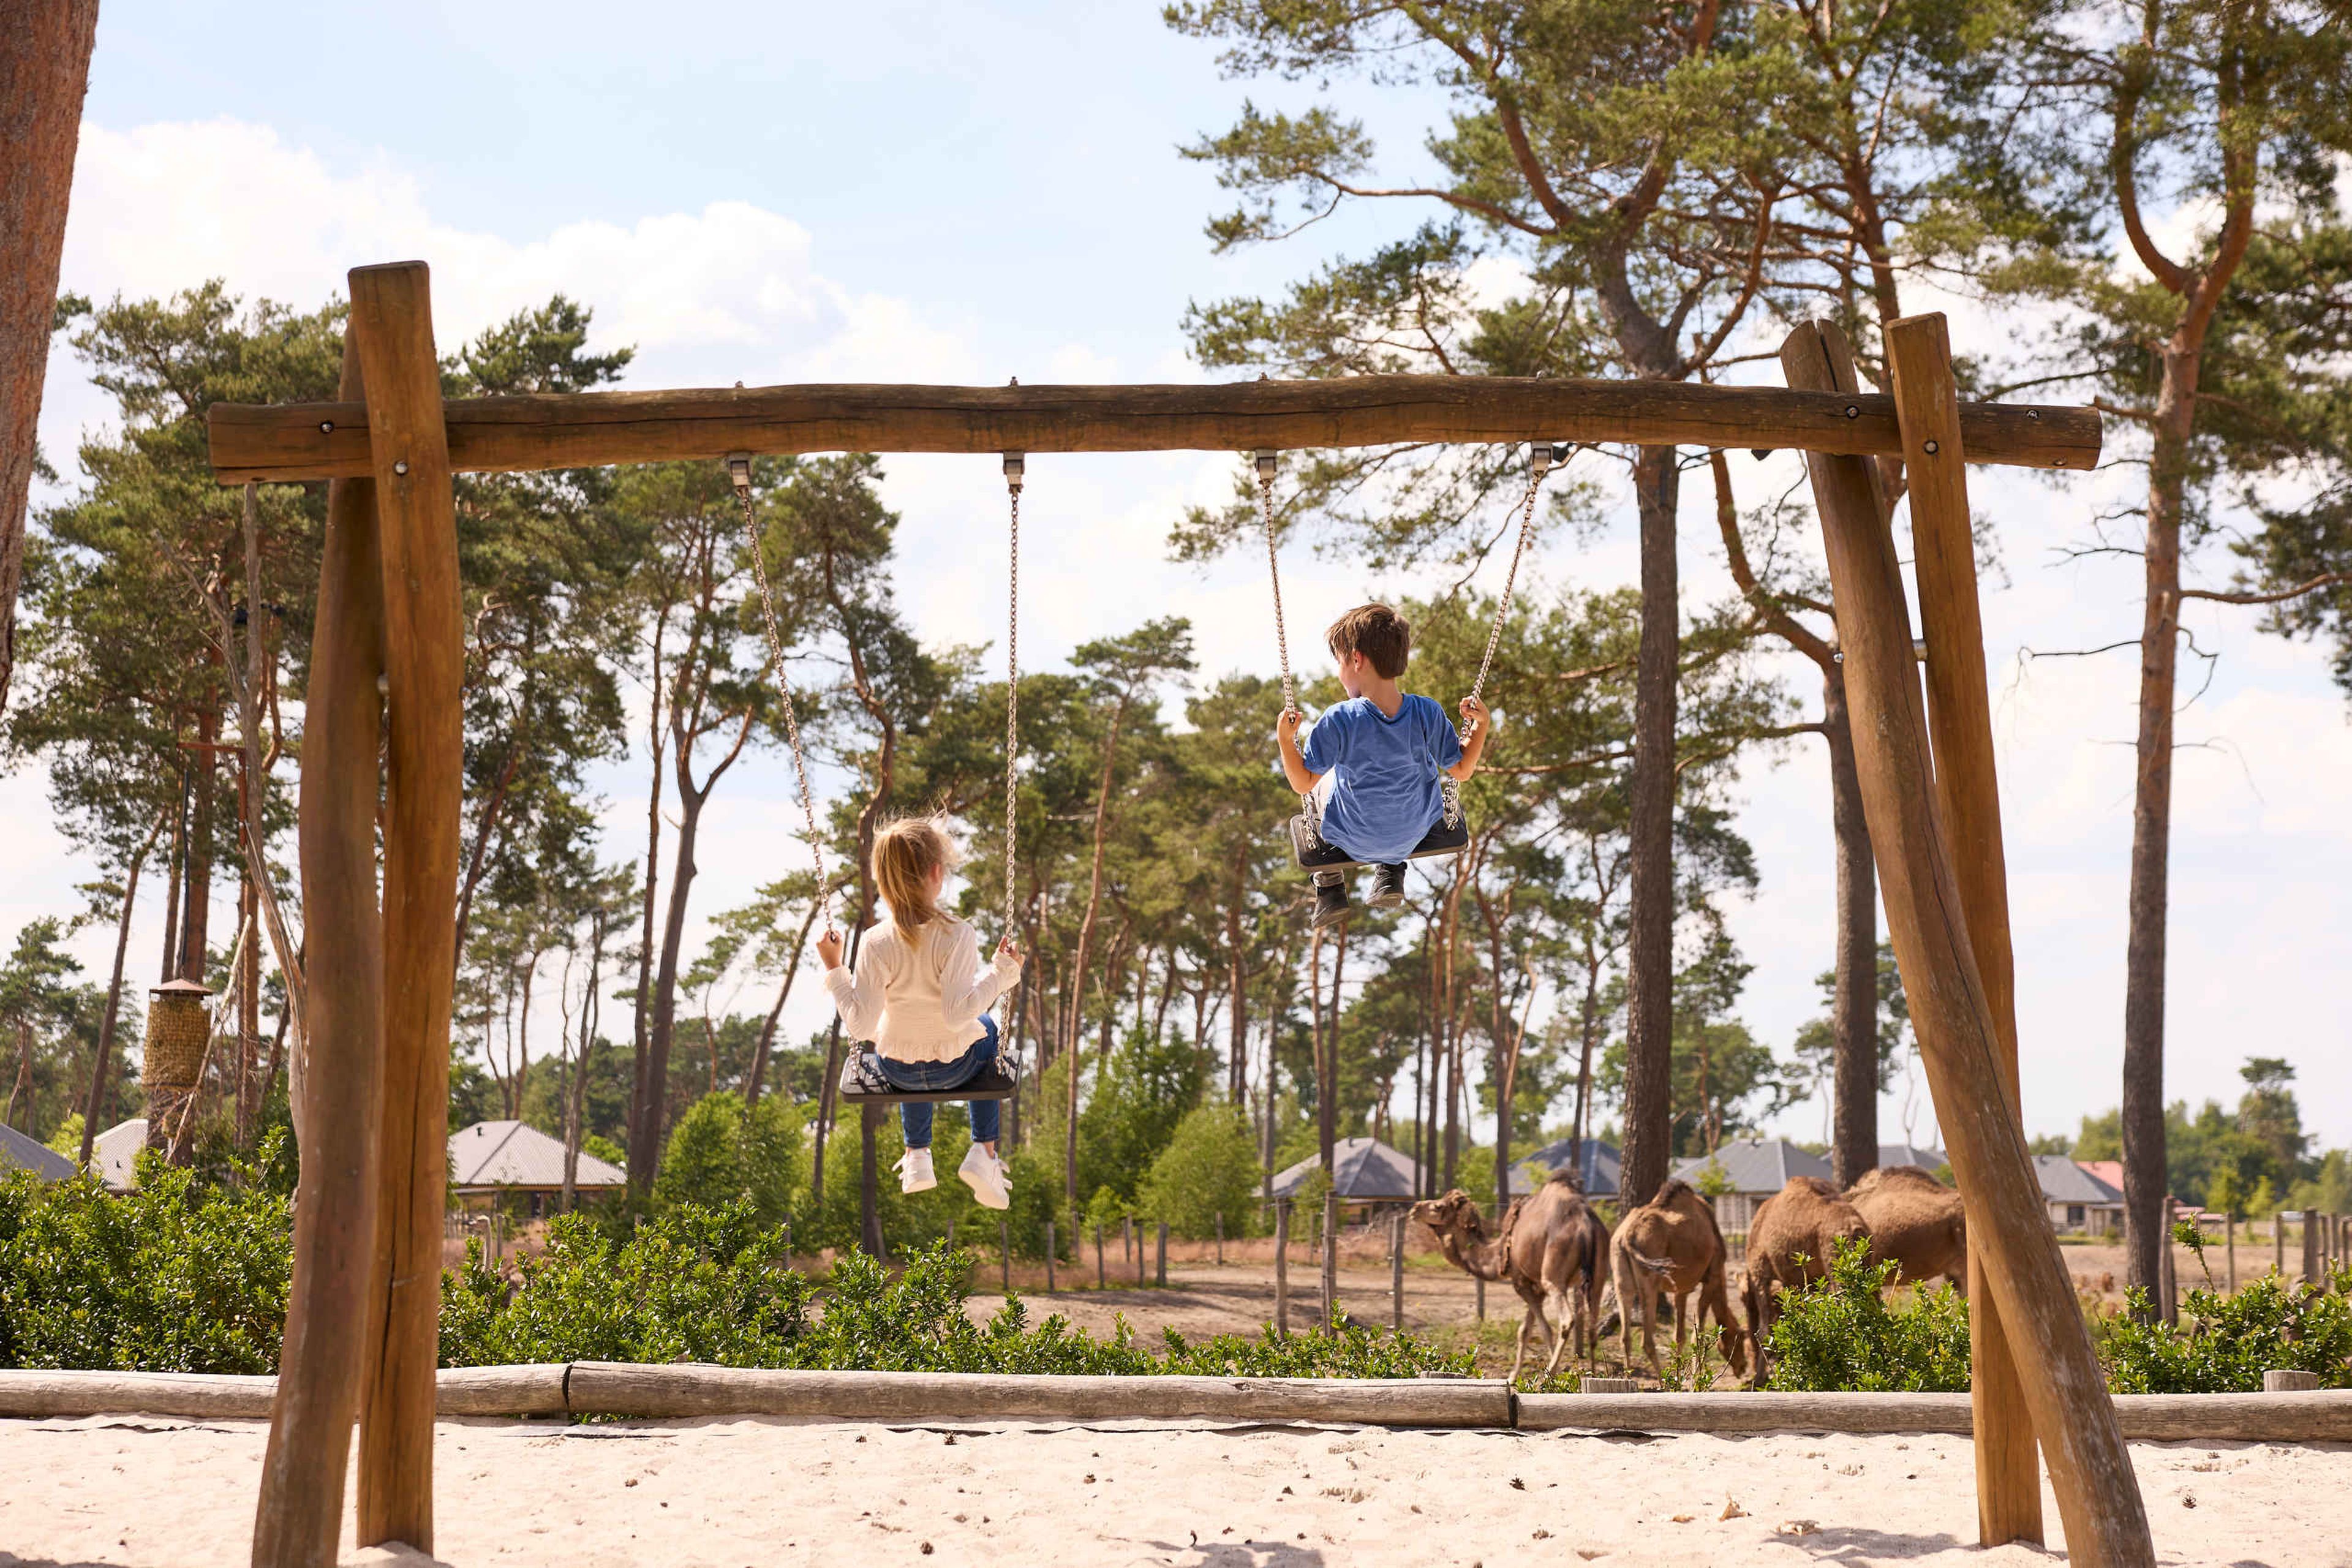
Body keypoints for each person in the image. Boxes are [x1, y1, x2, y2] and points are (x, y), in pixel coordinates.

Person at [818, 815, 1024, 1206]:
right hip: (956, 1067)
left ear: (883, 880)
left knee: (906, 1037)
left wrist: (835, 969)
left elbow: (861, 1025)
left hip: (898, 1072)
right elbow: (957, 1015)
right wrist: (1002, 975)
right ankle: (984, 1151)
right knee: (986, 1027)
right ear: (936, 873)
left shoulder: (874, 940)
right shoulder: (957, 934)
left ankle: (917, 1155)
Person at [1273, 603, 1489, 929]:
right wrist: (1481, 726)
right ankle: (1391, 871)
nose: (1340, 672)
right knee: (1408, 778)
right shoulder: (1427, 712)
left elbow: (1302, 783)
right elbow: (1462, 771)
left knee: (1322, 780)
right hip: (1414, 832)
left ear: (1356, 660)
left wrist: (1285, 740)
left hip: (1352, 836)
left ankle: (1330, 883)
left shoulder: (1340, 718)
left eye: (1340, 662)